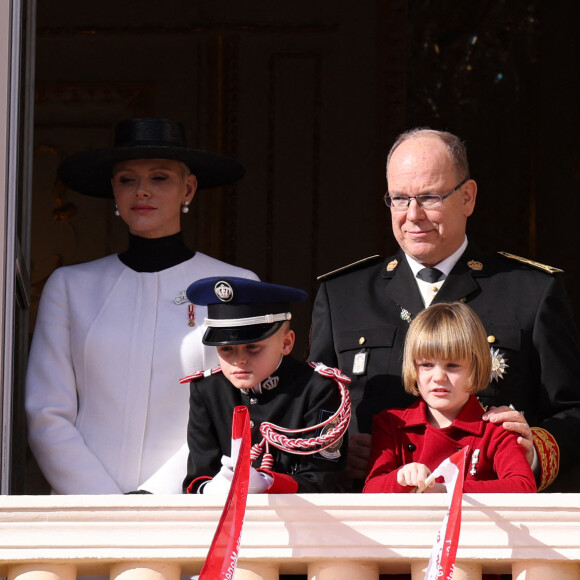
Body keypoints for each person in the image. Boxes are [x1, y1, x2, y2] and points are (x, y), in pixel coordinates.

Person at [309, 127, 580, 492]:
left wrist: (531, 451)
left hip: (488, 520)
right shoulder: (343, 295)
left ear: (467, 197)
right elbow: (312, 413)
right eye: (399, 199)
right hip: (371, 522)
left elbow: (573, 411)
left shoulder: (529, 291)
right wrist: (337, 454)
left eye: (430, 197)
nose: (413, 214)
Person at [25, 117, 259, 494]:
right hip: (83, 511)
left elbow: (239, 406)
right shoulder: (70, 286)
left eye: (160, 178)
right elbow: (46, 412)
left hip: (192, 505)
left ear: (189, 188)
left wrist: (157, 498)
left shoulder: (235, 285)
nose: (142, 192)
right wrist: (101, 501)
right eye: (127, 179)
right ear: (114, 192)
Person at [181, 276, 350, 494]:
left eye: (252, 347)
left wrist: (269, 483)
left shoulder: (318, 389)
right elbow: (198, 475)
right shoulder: (207, 390)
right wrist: (210, 489)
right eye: (226, 349)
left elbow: (323, 478)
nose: (238, 360)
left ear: (286, 343)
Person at [363, 302, 536, 494]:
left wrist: (446, 491)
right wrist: (400, 478)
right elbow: (371, 490)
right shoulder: (391, 424)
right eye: (426, 365)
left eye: (452, 365)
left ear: (476, 366)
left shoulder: (496, 429)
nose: (438, 377)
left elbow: (523, 487)